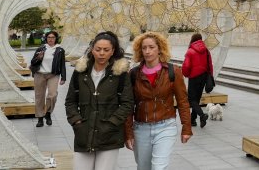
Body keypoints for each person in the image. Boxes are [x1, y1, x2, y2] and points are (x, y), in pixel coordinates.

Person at [65, 31, 133, 170]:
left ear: (112, 51)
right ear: (92, 49)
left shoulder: (119, 73)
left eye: (106, 50)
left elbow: (127, 103)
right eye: (98, 49)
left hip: (109, 134)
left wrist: (112, 123)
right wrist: (76, 121)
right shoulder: (80, 70)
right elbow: (70, 101)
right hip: (84, 133)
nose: (101, 53)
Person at [124, 31, 191, 170]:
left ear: (160, 48)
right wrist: (128, 133)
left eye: (151, 47)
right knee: (143, 167)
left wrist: (186, 127)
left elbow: (183, 101)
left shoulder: (173, 71)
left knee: (159, 167)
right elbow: (128, 106)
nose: (147, 51)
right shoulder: (134, 74)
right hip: (141, 128)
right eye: (144, 48)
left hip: (166, 126)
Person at [30, 30, 66, 128]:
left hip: (53, 75)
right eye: (49, 37)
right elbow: (32, 62)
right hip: (40, 74)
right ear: (46, 38)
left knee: (52, 95)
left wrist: (63, 77)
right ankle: (40, 118)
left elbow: (62, 64)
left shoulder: (60, 50)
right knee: (39, 97)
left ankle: (48, 113)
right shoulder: (41, 48)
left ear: (56, 39)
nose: (50, 39)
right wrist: (38, 57)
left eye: (53, 37)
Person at [179, 32, 214, 129]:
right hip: (203, 77)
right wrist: (210, 76)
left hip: (194, 77)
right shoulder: (206, 50)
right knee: (197, 99)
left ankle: (202, 116)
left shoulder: (190, 51)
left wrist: (186, 74)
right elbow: (210, 64)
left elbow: (186, 66)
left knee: (191, 99)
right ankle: (192, 120)